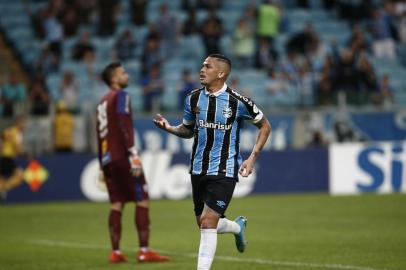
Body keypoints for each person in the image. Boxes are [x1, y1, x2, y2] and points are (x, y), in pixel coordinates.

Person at [153, 54, 272, 270]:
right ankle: (237, 228)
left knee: (208, 221)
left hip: (225, 169)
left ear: (221, 73)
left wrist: (252, 156)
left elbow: (265, 126)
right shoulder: (193, 98)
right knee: (204, 223)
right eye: (202, 65)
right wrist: (169, 128)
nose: (201, 69)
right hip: (198, 168)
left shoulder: (238, 102)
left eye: (207, 66)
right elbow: (188, 130)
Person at [96, 62, 169, 264]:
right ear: (113, 79)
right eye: (122, 73)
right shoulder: (121, 96)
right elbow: (122, 124)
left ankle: (115, 252)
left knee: (117, 203)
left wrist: (102, 165)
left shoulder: (102, 101)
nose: (126, 75)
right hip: (123, 155)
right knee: (142, 197)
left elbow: (100, 135)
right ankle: (144, 250)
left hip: (108, 158)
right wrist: (133, 153)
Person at [0, 117, 26, 200]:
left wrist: (2, 146)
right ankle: (3, 189)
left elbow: (1, 136)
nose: (24, 125)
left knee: (2, 179)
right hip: (8, 158)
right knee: (20, 175)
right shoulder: (17, 133)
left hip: (4, 157)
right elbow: (17, 148)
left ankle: (2, 189)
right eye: (23, 123)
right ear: (18, 123)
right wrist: (26, 154)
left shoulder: (10, 130)